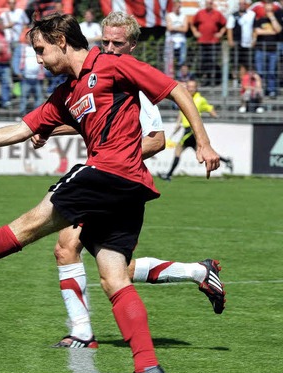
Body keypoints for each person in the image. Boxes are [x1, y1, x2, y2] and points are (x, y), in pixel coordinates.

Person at [0, 13, 221, 373]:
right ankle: (148, 368)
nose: (39, 60)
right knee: (115, 277)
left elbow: (175, 89)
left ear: (62, 40)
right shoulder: (66, 93)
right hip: (129, 189)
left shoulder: (113, 65)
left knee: (23, 228)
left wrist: (204, 142)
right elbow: (23, 129)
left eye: (41, 50)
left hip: (107, 174)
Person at [28, 12, 226, 351]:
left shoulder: (133, 83)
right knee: (108, 264)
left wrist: (114, 160)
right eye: (104, 42)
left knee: (70, 248)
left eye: (117, 44)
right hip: (103, 176)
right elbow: (91, 116)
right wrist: (48, 127)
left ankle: (82, 332)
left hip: (115, 181)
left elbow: (156, 139)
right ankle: (197, 272)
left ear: (132, 45)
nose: (109, 48)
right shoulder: (98, 72)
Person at [160, 79, 230, 181]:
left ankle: (168, 175)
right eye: (189, 86)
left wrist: (217, 116)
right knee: (204, 152)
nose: (190, 88)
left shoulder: (200, 100)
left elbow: (209, 108)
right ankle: (226, 161)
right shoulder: (184, 98)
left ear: (196, 88)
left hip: (192, 131)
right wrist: (178, 124)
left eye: (192, 87)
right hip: (186, 130)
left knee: (178, 150)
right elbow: (182, 112)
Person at [191, 0, 226, 86]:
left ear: (212, 4)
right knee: (203, 61)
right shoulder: (200, 13)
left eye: (210, 3)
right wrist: (195, 32)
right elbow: (192, 24)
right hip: (202, 42)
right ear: (205, 4)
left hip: (213, 42)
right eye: (207, 3)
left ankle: (212, 79)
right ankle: (205, 79)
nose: (209, 4)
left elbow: (225, 25)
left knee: (213, 61)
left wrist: (220, 33)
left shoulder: (217, 14)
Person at [253, 0, 283, 98]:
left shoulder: (276, 19)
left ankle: (271, 90)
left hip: (273, 50)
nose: (269, 10)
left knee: (272, 72)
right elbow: (257, 31)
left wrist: (272, 18)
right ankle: (260, 89)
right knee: (260, 72)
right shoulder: (259, 20)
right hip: (260, 49)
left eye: (271, 8)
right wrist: (271, 31)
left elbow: (278, 30)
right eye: (267, 8)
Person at [13, 32, 45, 115]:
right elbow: (15, 60)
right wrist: (17, 72)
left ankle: (36, 115)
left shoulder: (40, 48)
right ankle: (21, 114)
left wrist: (45, 72)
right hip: (25, 77)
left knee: (39, 98)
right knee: (24, 97)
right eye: (29, 38)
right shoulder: (21, 48)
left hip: (38, 78)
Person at [227, 0, 256, 82]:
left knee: (247, 63)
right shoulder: (233, 15)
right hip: (237, 42)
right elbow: (229, 28)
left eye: (243, 4)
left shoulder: (251, 14)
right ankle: (236, 81)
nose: (242, 5)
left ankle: (245, 81)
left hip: (248, 43)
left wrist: (254, 39)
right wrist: (230, 40)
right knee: (236, 62)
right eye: (240, 4)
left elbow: (254, 29)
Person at [164, 0, 188, 76]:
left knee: (182, 60)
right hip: (171, 41)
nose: (178, 8)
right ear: (173, 7)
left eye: (179, 7)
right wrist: (180, 27)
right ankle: (170, 76)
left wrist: (174, 27)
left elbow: (185, 29)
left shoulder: (184, 16)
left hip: (181, 41)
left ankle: (180, 76)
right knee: (170, 60)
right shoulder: (169, 16)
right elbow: (169, 28)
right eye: (176, 6)